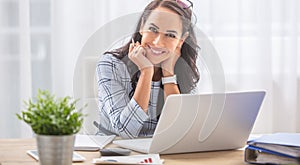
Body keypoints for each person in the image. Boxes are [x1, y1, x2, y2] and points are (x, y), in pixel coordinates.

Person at [96, 0, 200, 138]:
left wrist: (168, 72)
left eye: (170, 35)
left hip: (163, 154)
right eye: (153, 29)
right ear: (142, 25)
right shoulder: (111, 64)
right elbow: (126, 131)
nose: (157, 42)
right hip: (117, 152)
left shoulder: (185, 70)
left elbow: (181, 131)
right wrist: (146, 71)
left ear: (182, 39)